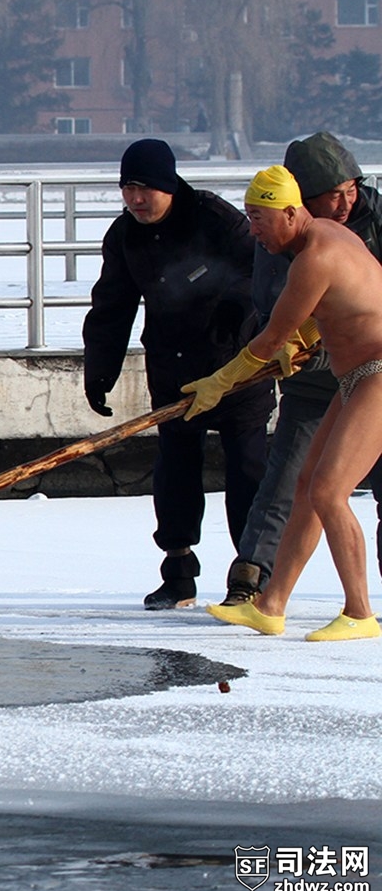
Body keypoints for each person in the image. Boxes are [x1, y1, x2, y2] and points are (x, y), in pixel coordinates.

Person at [186, 166, 382, 641]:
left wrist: (218, 381)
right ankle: (270, 605)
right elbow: (346, 302)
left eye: (259, 217)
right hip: (356, 375)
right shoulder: (330, 234)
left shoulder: (314, 258)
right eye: (250, 217)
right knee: (306, 486)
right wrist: (307, 337)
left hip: (378, 374)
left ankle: (360, 613)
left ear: (291, 213)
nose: (252, 229)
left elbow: (270, 337)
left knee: (329, 492)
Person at [82, 138, 272, 610]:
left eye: (145, 188)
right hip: (174, 367)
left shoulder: (215, 219)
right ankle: (178, 572)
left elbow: (263, 274)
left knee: (248, 469)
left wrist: (236, 310)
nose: (136, 200)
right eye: (127, 188)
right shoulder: (124, 236)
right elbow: (112, 304)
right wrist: (100, 367)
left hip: (237, 367)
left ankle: (251, 573)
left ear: (168, 185)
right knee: (175, 469)